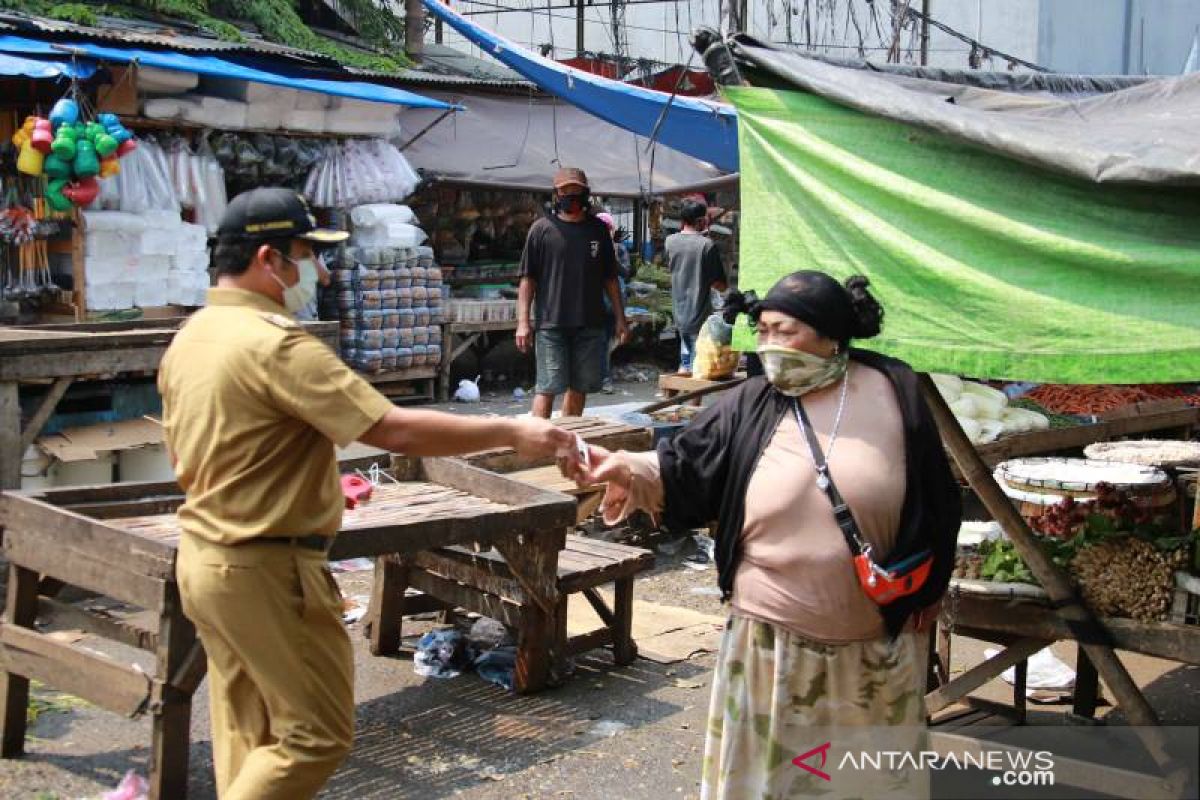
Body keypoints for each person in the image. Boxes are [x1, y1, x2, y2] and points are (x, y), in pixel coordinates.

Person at [158, 187, 580, 800]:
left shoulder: (194, 335)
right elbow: (391, 427)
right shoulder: (276, 342)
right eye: (311, 253)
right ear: (270, 259)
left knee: (250, 727)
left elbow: (199, 452)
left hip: (208, 557)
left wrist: (295, 481)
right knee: (315, 735)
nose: (322, 271)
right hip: (267, 566)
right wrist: (515, 429)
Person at [569, 271, 960, 799]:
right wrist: (626, 469)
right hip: (769, 648)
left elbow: (937, 499)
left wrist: (930, 588)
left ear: (832, 335)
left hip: (871, 650)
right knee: (767, 784)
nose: (771, 346)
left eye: (786, 332)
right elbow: (682, 464)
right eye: (764, 331)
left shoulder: (896, 390)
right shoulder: (749, 401)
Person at [516, 167, 629, 418]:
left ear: (586, 194)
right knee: (546, 388)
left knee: (580, 388)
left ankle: (568, 445)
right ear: (556, 194)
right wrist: (523, 322)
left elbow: (610, 278)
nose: (571, 196)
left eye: (577, 191)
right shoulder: (541, 229)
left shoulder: (598, 230)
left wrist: (621, 318)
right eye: (566, 191)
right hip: (551, 324)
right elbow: (527, 280)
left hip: (590, 324)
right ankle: (538, 446)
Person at [663, 198, 727, 376]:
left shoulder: (670, 241)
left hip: (679, 312)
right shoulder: (707, 245)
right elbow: (720, 285)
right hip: (699, 314)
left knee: (685, 361)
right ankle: (692, 403)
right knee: (698, 367)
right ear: (700, 221)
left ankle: (676, 399)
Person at [595, 211, 631, 394]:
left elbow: (626, 272)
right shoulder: (592, 249)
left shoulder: (620, 249)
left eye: (607, 228)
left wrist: (613, 258)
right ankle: (601, 378)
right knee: (598, 341)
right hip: (595, 302)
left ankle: (604, 377)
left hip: (614, 303)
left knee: (606, 340)